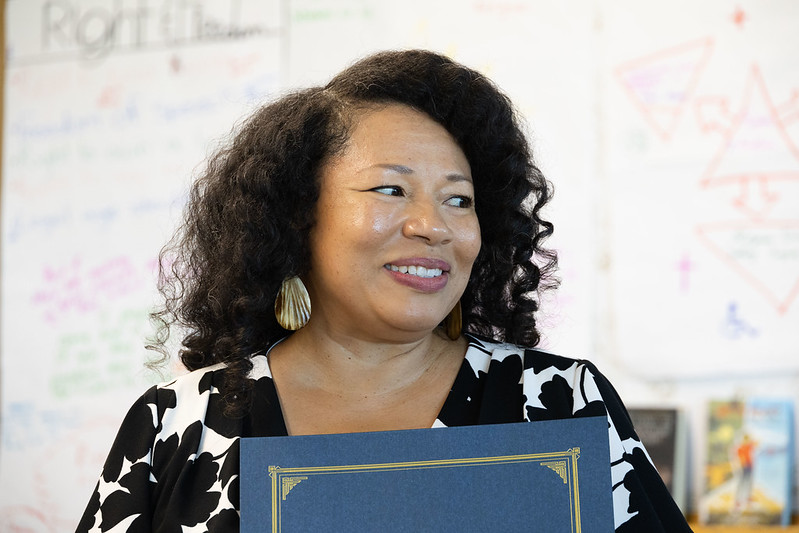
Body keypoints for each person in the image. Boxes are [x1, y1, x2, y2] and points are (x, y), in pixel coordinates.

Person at [77, 49, 691, 532]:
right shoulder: (177, 423)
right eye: (391, 190)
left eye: (460, 199)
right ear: (298, 215)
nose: (433, 225)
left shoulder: (562, 404)